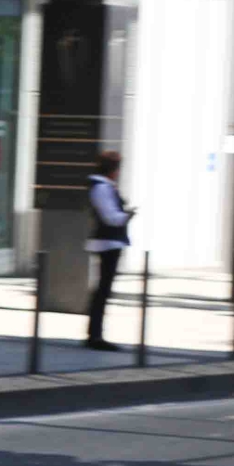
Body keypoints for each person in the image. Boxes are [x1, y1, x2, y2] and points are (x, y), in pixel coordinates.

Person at [86, 148, 133, 350]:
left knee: (103, 290)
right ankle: (95, 336)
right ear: (113, 170)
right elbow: (110, 217)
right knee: (103, 290)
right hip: (108, 243)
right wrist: (127, 216)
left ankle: (95, 333)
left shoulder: (103, 186)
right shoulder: (102, 188)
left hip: (109, 242)